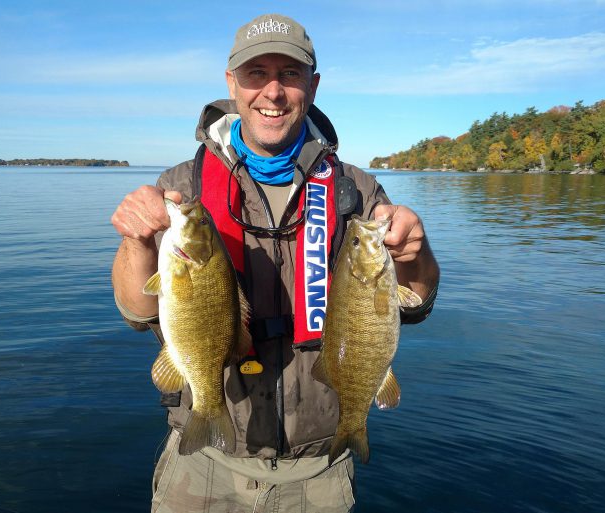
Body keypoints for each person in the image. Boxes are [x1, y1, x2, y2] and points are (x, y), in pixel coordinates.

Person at [111, 13, 440, 513]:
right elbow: (138, 313)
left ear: (313, 84)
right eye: (255, 74)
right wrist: (137, 242)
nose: (273, 92)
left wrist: (417, 252)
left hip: (319, 472)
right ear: (231, 84)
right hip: (202, 467)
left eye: (289, 75)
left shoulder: (357, 191)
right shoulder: (183, 186)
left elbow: (415, 304)